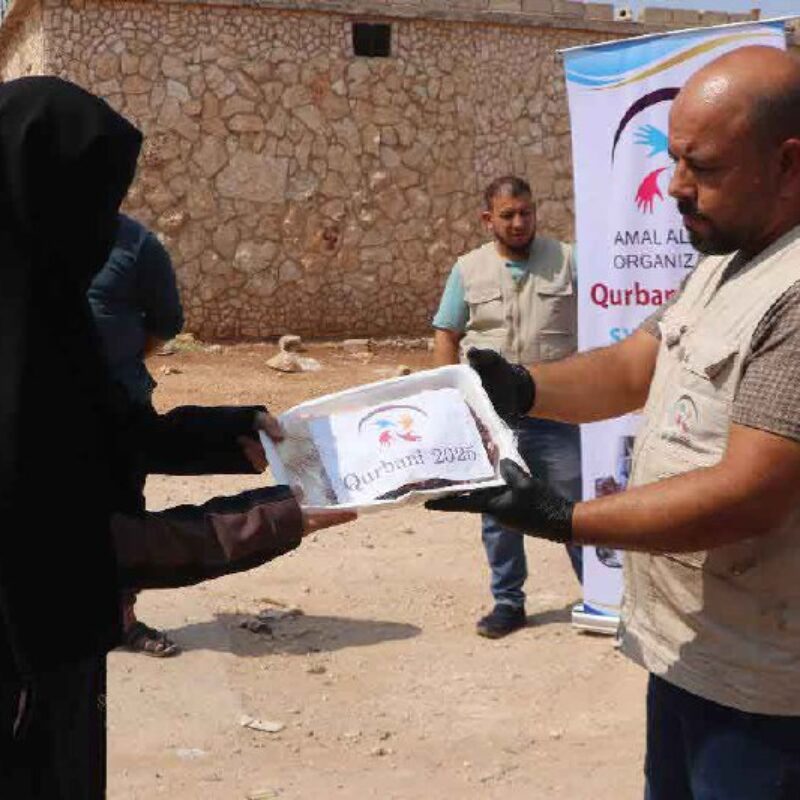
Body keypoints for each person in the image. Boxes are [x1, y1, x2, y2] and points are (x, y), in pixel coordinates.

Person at [428, 46, 800, 798]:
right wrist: (519, 388)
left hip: (764, 687)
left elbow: (752, 493)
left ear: (788, 164)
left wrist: (563, 518)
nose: (676, 186)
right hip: (693, 650)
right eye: (674, 160)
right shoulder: (728, 258)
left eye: (704, 167)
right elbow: (636, 365)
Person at [0, 76, 353, 798]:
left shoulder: (47, 321)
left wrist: (237, 435)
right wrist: (266, 521)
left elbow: (111, 435)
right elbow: (66, 552)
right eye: (95, 202)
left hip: (62, 660)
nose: (108, 227)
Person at [432, 176, 582, 638]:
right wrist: (451, 402)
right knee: (499, 514)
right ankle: (508, 603)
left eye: (526, 213)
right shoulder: (468, 269)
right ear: (488, 219)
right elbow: (446, 334)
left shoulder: (569, 260)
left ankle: (601, 597)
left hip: (556, 412)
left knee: (575, 508)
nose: (519, 222)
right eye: (508, 215)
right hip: (492, 419)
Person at [89, 214, 185, 657]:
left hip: (119, 408)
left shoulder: (138, 245)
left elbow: (165, 322)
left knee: (123, 516)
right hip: (38, 411)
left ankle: (121, 619)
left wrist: (119, 355)